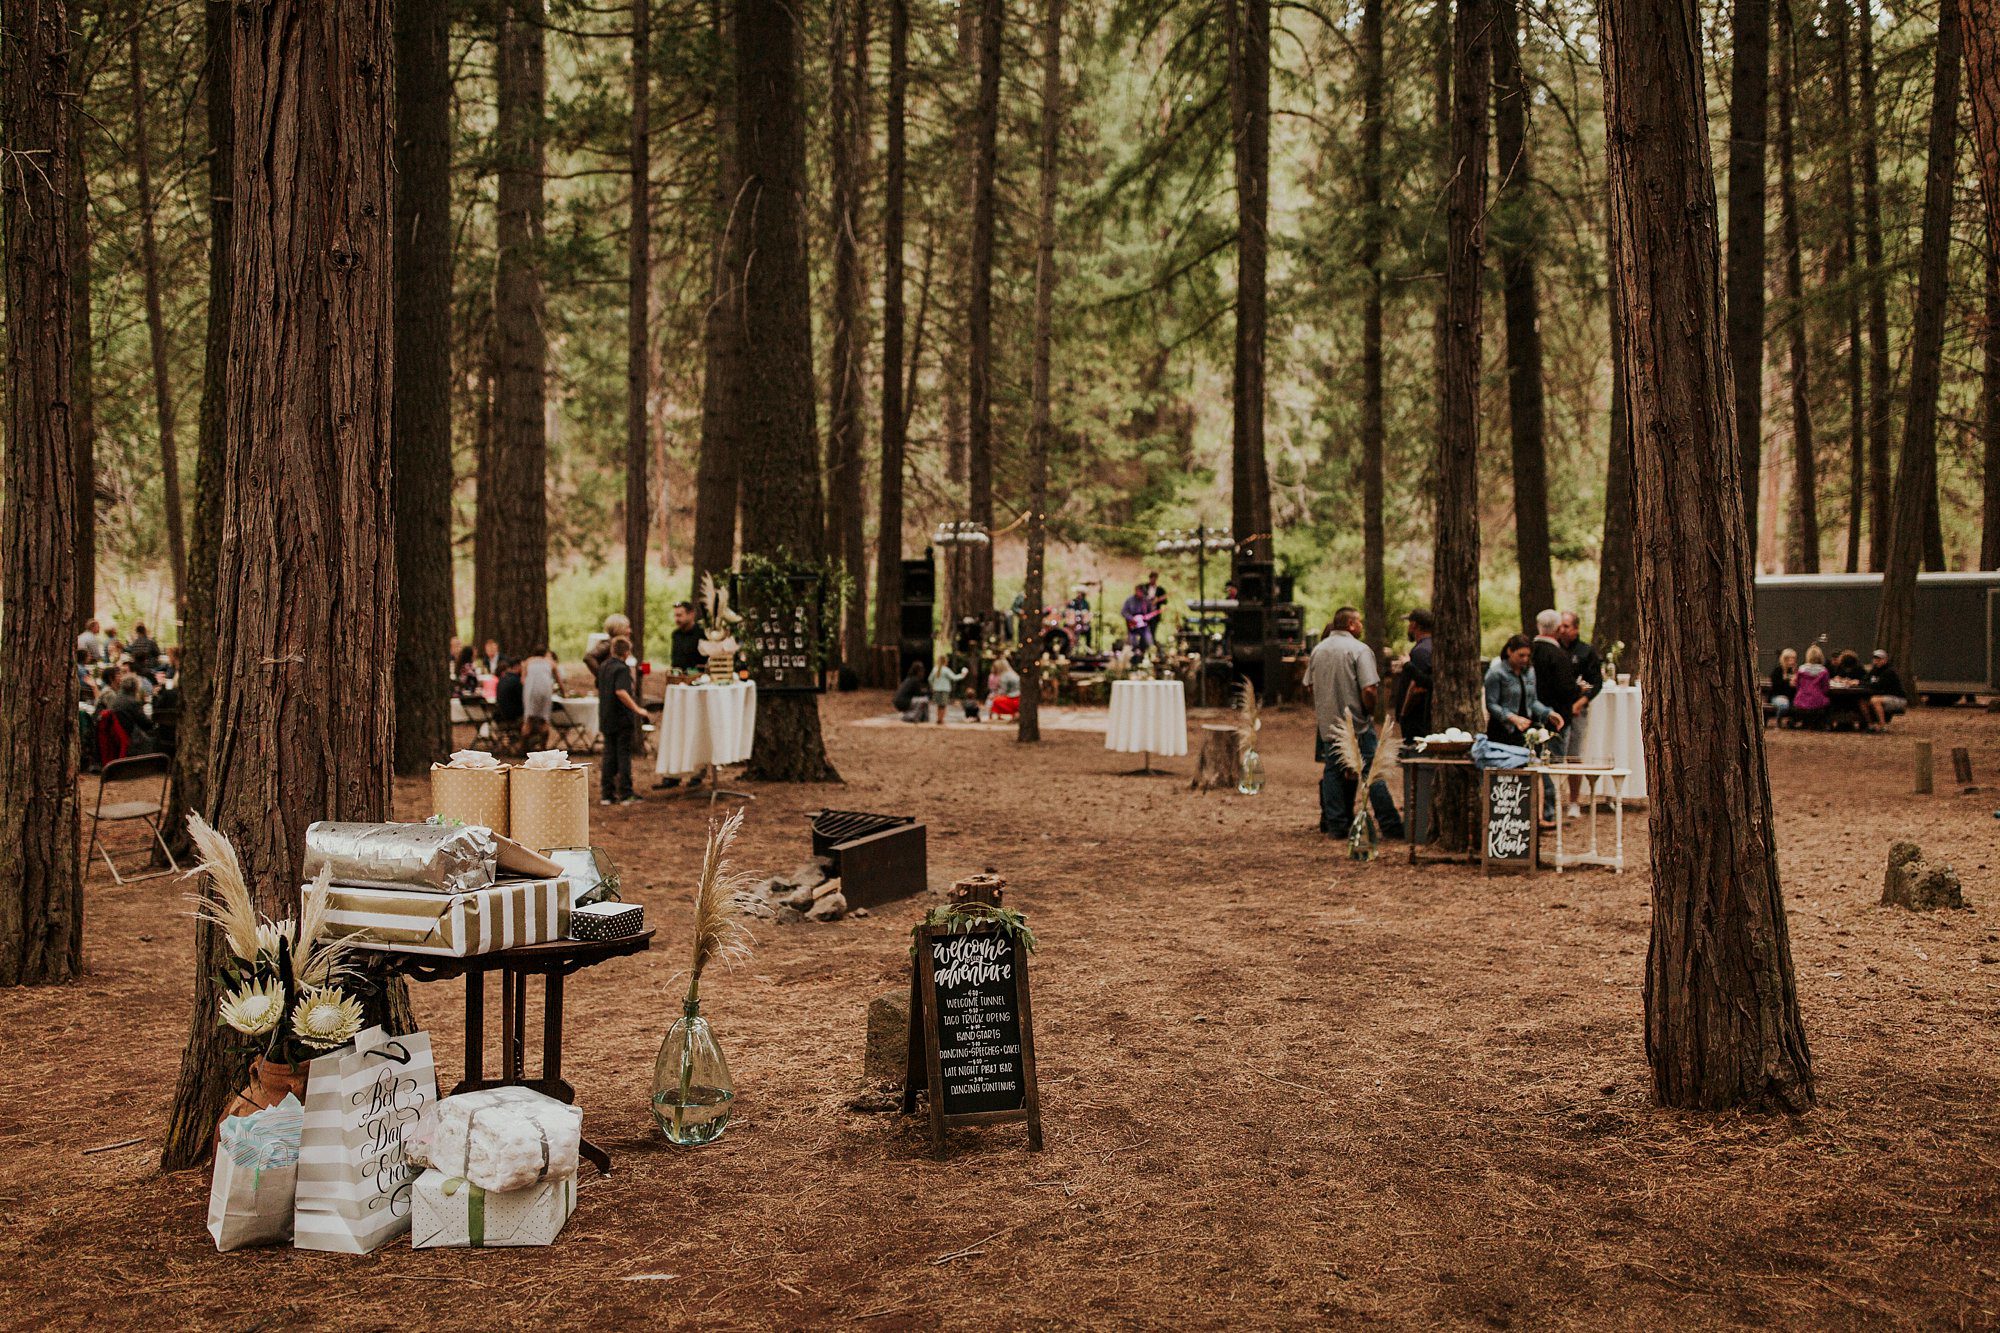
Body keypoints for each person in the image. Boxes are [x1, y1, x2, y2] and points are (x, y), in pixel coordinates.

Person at [1307, 607, 1405, 840]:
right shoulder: (1360, 650)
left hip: (1329, 724)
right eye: (1359, 622)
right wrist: (1367, 712)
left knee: (1332, 771)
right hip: (1357, 724)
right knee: (1373, 772)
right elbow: (1369, 688)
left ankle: (1336, 824)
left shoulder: (1318, 650)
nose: (1361, 626)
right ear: (1351, 624)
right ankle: (1390, 825)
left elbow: (1309, 685)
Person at [1485, 635, 1565, 826]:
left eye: (1527, 656)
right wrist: (1511, 717)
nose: (1524, 659)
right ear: (1509, 651)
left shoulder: (1529, 672)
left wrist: (1548, 713)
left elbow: (1532, 701)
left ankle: (1539, 816)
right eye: (1520, 655)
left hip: (1526, 729)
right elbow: (1491, 704)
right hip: (1504, 730)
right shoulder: (1496, 673)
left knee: (1535, 769)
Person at [1530, 610, 1582, 816]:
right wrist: (1578, 690)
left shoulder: (1529, 651)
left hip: (1532, 717)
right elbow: (1565, 688)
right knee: (1554, 764)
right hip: (1557, 718)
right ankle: (1550, 809)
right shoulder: (1559, 655)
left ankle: (1538, 807)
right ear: (1557, 629)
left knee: (1535, 760)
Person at [596, 636, 646, 805]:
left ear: (612, 650)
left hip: (606, 717)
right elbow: (621, 692)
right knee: (623, 754)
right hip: (621, 718)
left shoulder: (603, 667)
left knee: (609, 754)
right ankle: (626, 793)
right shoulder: (622, 669)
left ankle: (607, 794)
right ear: (627, 652)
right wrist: (637, 709)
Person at [1396, 608, 1435, 739]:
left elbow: (1417, 688)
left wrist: (1403, 714)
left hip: (1415, 719)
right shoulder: (1431, 646)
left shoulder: (1421, 651)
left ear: (1414, 625)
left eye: (1409, 624)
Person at [520, 646, 557, 745]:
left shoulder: (528, 662)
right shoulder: (550, 662)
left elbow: (523, 680)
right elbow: (558, 680)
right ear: (545, 653)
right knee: (545, 718)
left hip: (531, 690)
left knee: (528, 719)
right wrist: (563, 692)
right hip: (546, 690)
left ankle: (524, 746)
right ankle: (543, 746)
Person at [1789, 644, 1832, 726]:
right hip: (1818, 700)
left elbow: (1797, 686)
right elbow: (1826, 689)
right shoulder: (1824, 671)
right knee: (1829, 703)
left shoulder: (1801, 670)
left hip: (1801, 699)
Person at [584, 613, 633, 682]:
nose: (630, 631)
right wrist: (602, 675)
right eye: (627, 627)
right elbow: (588, 657)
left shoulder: (619, 644)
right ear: (619, 628)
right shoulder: (609, 643)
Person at [1865, 648, 1907, 724]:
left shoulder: (1889, 672)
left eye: (1879, 659)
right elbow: (1865, 680)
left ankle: (1882, 724)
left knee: (1875, 700)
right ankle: (1870, 724)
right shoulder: (1874, 670)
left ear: (1885, 660)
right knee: (1863, 701)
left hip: (1897, 698)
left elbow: (1879, 686)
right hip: (1882, 695)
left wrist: (1868, 685)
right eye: (1875, 659)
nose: (1876, 661)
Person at [1121, 582, 1159, 652]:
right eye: (1138, 591)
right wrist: (1131, 619)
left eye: (1141, 591)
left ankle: (1148, 655)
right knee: (1133, 643)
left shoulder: (1146, 600)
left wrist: (1149, 616)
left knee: (1149, 641)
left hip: (1144, 626)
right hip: (1132, 626)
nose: (1140, 593)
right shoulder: (1130, 600)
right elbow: (1123, 612)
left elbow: (1151, 612)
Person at [929, 657, 967, 725]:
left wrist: (933, 686)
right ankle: (941, 719)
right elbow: (954, 677)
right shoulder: (946, 670)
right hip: (945, 690)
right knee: (943, 705)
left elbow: (930, 679)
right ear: (945, 662)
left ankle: (938, 719)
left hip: (936, 689)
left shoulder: (935, 669)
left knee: (939, 705)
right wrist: (962, 675)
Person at [668, 601, 703, 675]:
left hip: (698, 679)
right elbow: (675, 661)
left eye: (679, 615)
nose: (677, 619)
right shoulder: (676, 634)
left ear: (691, 614)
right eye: (675, 616)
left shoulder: (702, 633)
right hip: (678, 678)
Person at [1768, 647, 1799, 723]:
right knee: (1783, 704)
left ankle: (1793, 722)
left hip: (1792, 697)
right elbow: (1775, 686)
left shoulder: (1796, 671)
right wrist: (1788, 683)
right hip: (1778, 696)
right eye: (1789, 659)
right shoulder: (1778, 671)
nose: (1792, 661)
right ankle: (1778, 721)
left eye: (1793, 659)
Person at [493, 657, 525, 731]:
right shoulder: (516, 682)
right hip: (513, 718)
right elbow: (524, 700)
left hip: (500, 717)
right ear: (517, 666)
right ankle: (525, 741)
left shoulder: (502, 680)